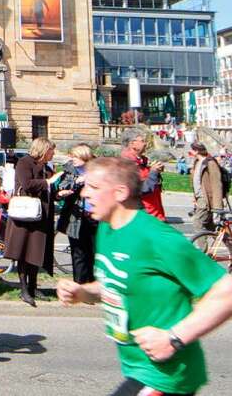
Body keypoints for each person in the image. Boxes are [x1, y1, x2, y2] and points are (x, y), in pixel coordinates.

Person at [57, 156, 232, 396]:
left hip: (166, 376)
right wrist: (84, 292)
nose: (85, 193)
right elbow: (116, 283)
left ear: (120, 193)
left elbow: (227, 291)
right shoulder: (109, 228)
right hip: (139, 368)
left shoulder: (155, 236)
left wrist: (174, 338)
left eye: (94, 187)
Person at [4, 138, 57, 307]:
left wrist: (58, 192)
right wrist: (47, 182)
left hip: (41, 217)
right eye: (51, 151)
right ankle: (24, 288)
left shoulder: (46, 167)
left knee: (36, 252)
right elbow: (26, 185)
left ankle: (33, 287)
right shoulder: (24, 163)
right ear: (43, 150)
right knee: (23, 253)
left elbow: (48, 190)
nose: (53, 154)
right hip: (24, 216)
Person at [55, 143, 97, 284]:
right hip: (76, 216)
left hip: (95, 215)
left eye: (75, 156)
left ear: (84, 156)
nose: (72, 158)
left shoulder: (97, 169)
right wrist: (76, 182)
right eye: (71, 156)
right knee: (78, 252)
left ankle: (92, 284)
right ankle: (80, 284)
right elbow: (62, 186)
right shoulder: (70, 170)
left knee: (93, 252)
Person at [120, 129, 166, 221]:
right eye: (142, 141)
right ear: (132, 143)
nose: (145, 144)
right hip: (143, 215)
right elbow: (141, 189)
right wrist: (153, 172)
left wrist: (156, 172)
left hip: (154, 213)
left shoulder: (142, 161)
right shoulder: (127, 164)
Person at [187, 141, 225, 235]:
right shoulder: (197, 162)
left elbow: (217, 185)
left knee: (197, 221)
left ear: (196, 151)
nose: (190, 151)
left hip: (207, 199)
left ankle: (202, 250)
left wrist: (217, 207)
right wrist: (195, 198)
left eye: (192, 149)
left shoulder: (210, 162)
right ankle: (230, 244)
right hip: (200, 198)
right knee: (210, 226)